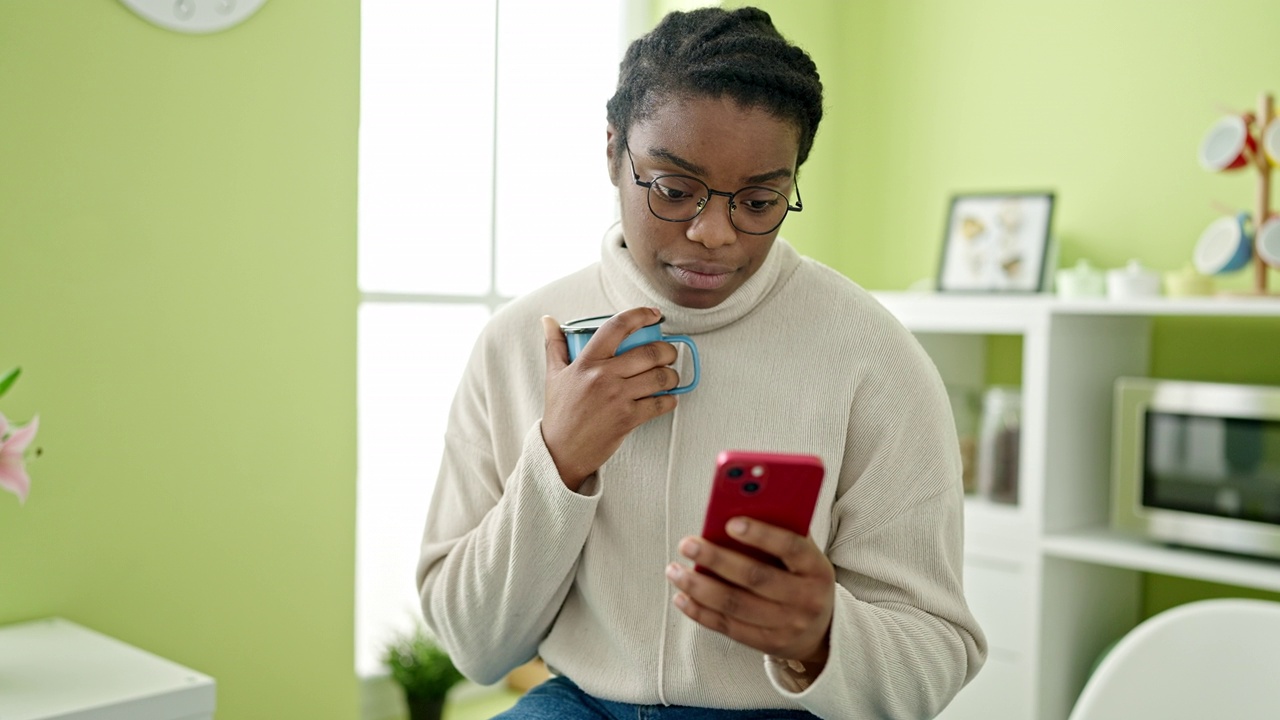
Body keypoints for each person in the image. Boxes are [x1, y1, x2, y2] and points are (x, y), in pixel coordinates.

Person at [416, 7, 987, 719]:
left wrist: (822, 637)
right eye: (673, 189)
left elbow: (934, 661)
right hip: (579, 707)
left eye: (758, 201)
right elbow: (474, 647)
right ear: (613, 153)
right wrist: (557, 462)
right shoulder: (515, 345)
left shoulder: (875, 360)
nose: (713, 233)